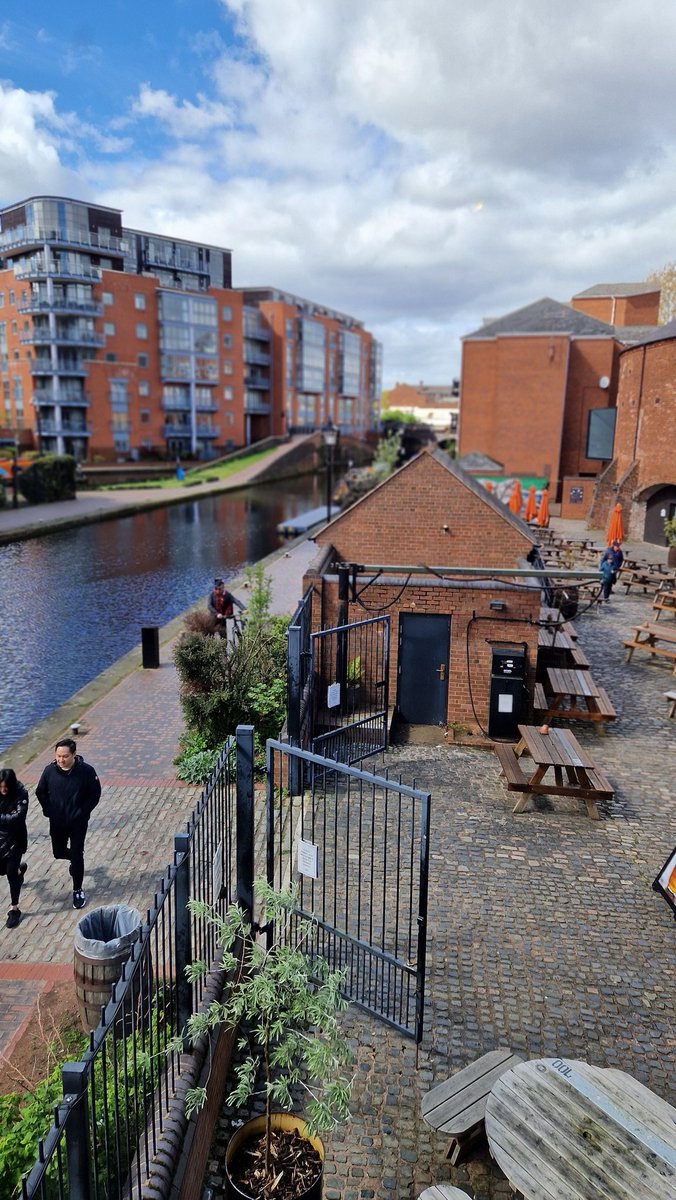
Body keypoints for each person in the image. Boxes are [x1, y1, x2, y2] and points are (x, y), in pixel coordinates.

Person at [36, 739, 101, 910]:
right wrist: (48, 810)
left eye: (65, 756)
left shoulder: (86, 771)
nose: (61, 759)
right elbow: (40, 792)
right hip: (57, 822)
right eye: (58, 756)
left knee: (77, 855)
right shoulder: (49, 771)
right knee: (58, 852)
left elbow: (95, 793)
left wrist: (84, 811)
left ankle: (77, 890)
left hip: (78, 822)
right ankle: (75, 858)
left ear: (74, 754)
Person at [0, 768, 28, 929]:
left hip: (15, 840)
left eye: (6, 787)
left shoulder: (21, 793)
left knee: (10, 874)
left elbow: (18, 818)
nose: (3, 790)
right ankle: (19, 871)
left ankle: (14, 908)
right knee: (4, 870)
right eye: (0, 787)